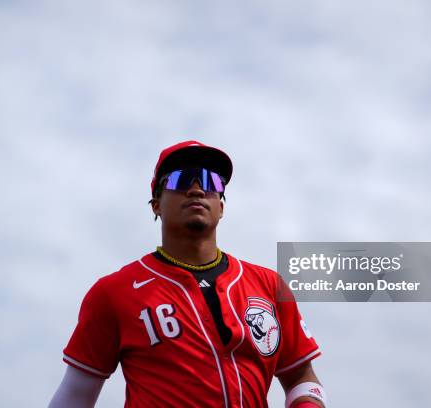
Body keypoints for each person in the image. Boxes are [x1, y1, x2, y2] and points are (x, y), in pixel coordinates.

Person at [49, 141, 327, 407]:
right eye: (181, 179)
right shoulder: (114, 293)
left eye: (211, 182)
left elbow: (301, 376)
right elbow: (76, 395)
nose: (196, 188)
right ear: (156, 204)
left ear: (221, 206)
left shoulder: (268, 284)